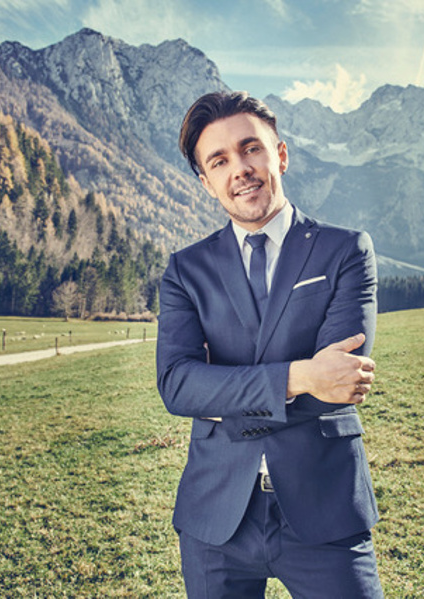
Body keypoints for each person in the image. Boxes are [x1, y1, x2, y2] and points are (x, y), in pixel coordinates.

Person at [157, 90, 383, 598]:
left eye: (250, 148)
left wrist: (221, 397)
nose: (240, 169)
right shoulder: (186, 272)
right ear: (206, 181)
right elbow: (177, 385)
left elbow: (339, 383)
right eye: (219, 160)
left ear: (279, 154)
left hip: (325, 507)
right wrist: (300, 376)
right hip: (215, 518)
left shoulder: (346, 251)